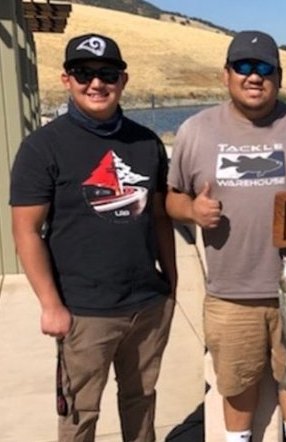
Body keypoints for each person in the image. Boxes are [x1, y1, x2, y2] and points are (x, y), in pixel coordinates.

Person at [166, 30, 286, 442]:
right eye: (244, 67)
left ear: (279, 77)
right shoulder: (196, 130)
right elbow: (172, 198)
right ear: (226, 75)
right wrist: (192, 210)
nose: (254, 77)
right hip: (229, 292)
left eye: (264, 68)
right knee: (236, 384)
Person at [10, 33, 177, 441]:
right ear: (67, 79)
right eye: (84, 73)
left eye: (107, 74)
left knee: (141, 401)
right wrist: (51, 305)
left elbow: (158, 217)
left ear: (123, 80)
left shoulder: (145, 142)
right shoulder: (42, 147)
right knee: (79, 415)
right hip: (83, 311)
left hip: (146, 305)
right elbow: (26, 231)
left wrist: (171, 282)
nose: (96, 84)